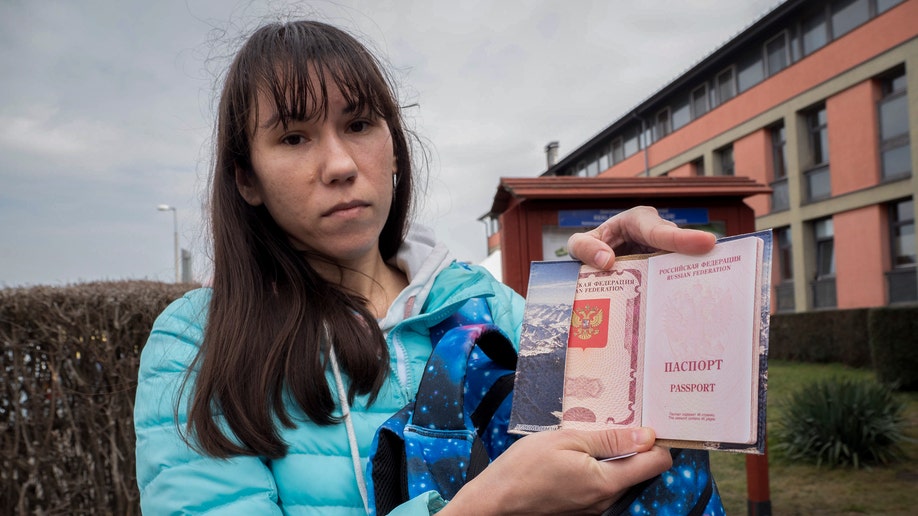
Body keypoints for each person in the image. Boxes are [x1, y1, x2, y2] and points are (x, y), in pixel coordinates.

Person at [133, 20, 717, 515]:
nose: (339, 164)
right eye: (293, 137)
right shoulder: (198, 342)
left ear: (392, 141)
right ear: (245, 178)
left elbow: (630, 438)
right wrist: (487, 506)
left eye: (359, 124)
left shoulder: (487, 304)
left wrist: (631, 295)